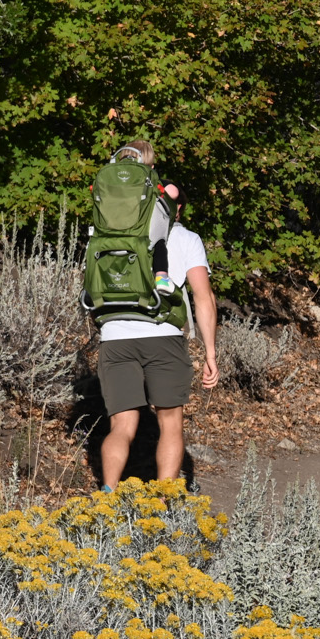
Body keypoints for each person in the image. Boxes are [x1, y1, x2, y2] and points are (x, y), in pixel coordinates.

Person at [96, 142, 220, 489]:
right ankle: (163, 504)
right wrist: (210, 353)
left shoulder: (108, 233)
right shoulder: (185, 238)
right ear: (172, 207)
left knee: (121, 426)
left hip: (114, 336)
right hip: (162, 334)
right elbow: (203, 298)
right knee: (170, 423)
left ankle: (107, 497)